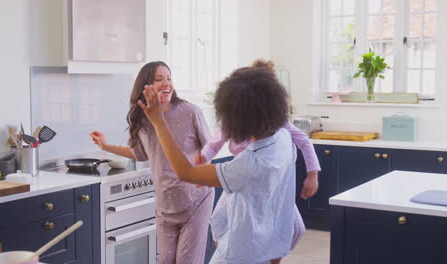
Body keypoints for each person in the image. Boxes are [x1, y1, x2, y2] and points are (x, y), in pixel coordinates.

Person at [138, 63, 298, 264]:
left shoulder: (249, 164)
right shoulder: (283, 140)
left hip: (237, 256)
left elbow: (185, 172)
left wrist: (159, 122)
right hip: (263, 250)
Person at [197, 60, 320, 264]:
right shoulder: (234, 120)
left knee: (296, 229)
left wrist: (312, 174)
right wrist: (204, 159)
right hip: (240, 179)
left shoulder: (277, 122)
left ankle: (270, 258)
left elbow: (304, 142)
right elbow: (214, 143)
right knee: (219, 221)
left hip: (272, 186)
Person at [90, 61, 214, 264]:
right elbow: (140, 153)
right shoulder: (142, 118)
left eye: (169, 78)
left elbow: (210, 149)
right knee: (165, 260)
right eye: (159, 79)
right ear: (145, 87)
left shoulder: (190, 112)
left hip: (196, 201)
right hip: (165, 204)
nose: (167, 83)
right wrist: (105, 146)